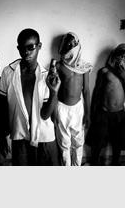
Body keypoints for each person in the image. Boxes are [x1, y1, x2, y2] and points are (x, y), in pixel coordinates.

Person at [0, 28, 61, 166]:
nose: (26, 52)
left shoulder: (45, 76)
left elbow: (45, 115)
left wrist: (54, 92)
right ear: (18, 48)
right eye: (22, 48)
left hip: (44, 136)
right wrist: (3, 135)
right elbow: (1, 106)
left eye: (31, 47)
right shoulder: (9, 73)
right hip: (19, 135)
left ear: (39, 46)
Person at [86, 43, 125, 165]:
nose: (123, 60)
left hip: (119, 115)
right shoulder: (104, 72)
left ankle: (115, 163)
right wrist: (93, 113)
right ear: (115, 56)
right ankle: (94, 163)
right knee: (97, 143)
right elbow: (96, 93)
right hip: (102, 113)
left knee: (117, 144)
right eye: (121, 56)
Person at [55, 32, 92, 166]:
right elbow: (53, 91)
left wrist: (88, 113)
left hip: (78, 108)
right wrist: (54, 111)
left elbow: (87, 91)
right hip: (62, 108)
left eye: (73, 44)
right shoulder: (58, 66)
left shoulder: (84, 67)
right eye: (67, 44)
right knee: (64, 143)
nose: (70, 47)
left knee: (78, 142)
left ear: (78, 46)